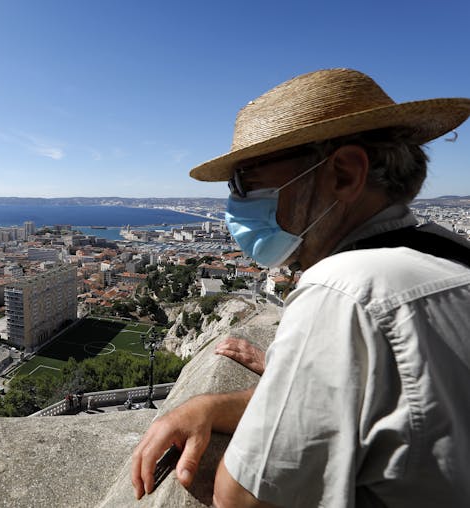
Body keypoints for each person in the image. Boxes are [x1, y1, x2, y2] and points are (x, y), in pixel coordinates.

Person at [130, 68, 470, 507]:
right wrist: (232, 399)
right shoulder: (449, 251)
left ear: (344, 174)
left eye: (245, 182)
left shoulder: (343, 291)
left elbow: (243, 498)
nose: (234, 203)